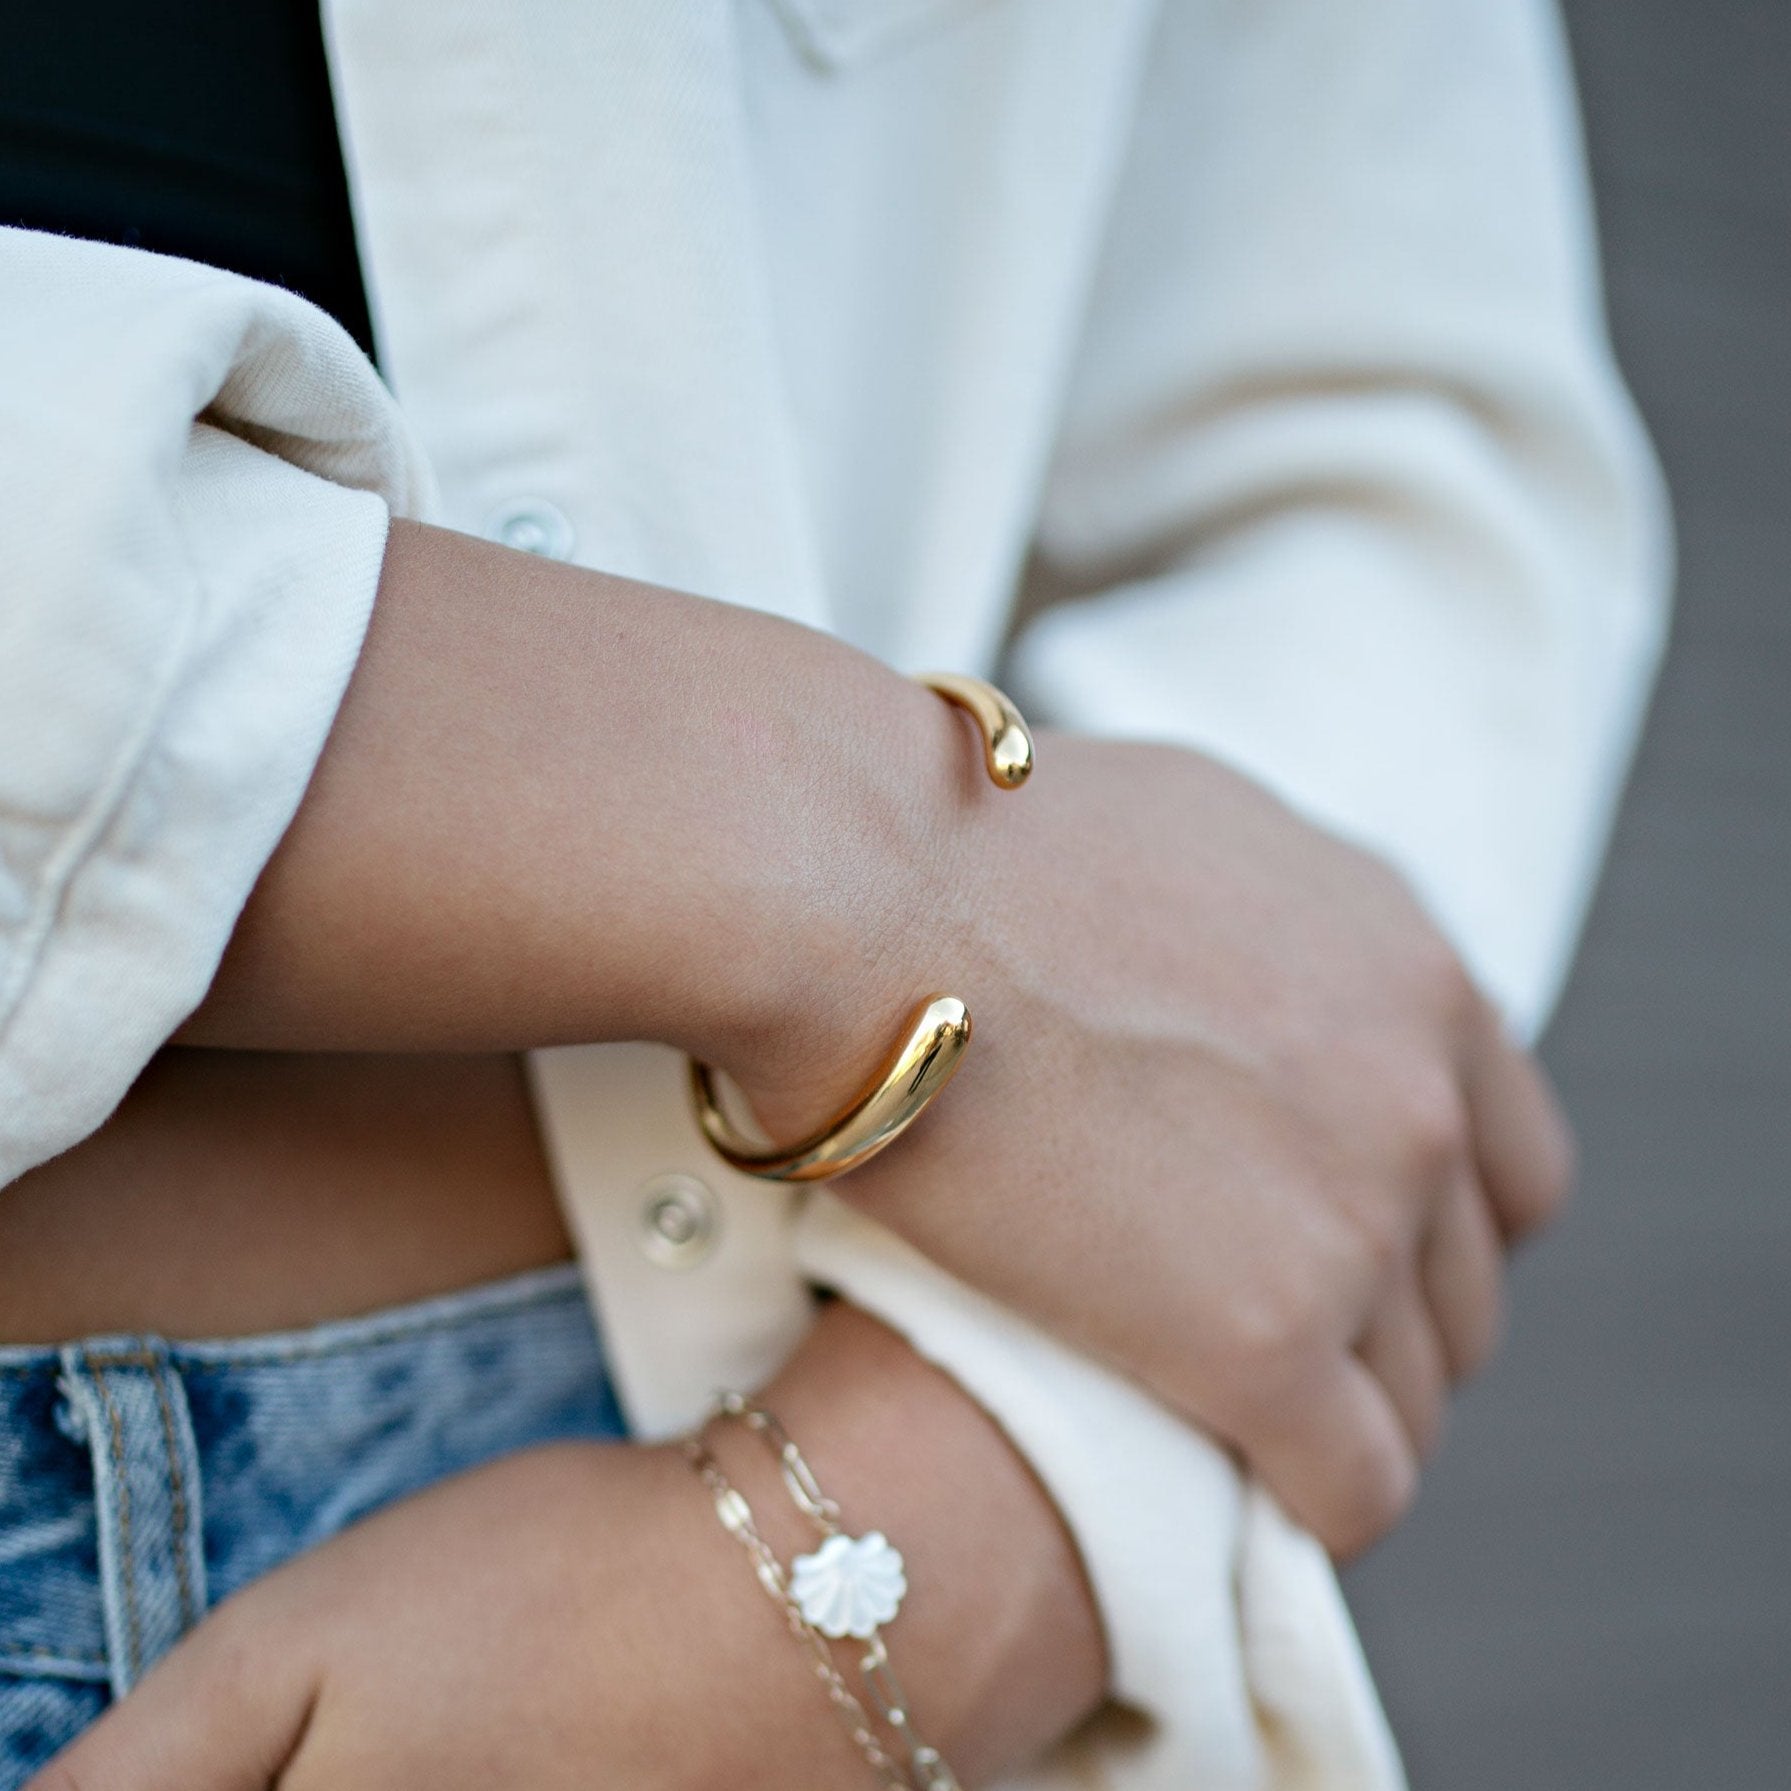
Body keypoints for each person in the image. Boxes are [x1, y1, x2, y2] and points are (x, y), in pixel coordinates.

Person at [0, 0, 1669, 1786]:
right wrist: (858, 855)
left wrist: (960, 1507)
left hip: (699, 1532)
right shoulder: (905, 872)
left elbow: (1394, 444)